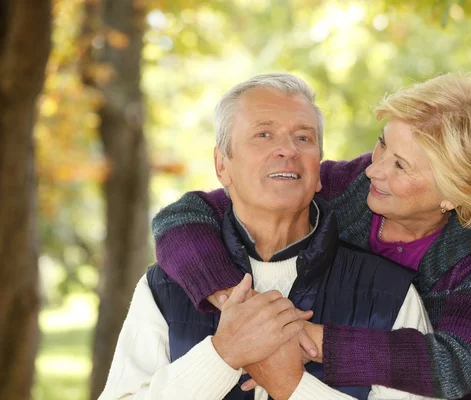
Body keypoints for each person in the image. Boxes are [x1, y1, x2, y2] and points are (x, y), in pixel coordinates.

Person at [152, 72, 471, 399]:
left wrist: (300, 337)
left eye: (400, 166)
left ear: (455, 193)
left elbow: (456, 365)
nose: (374, 169)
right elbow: (183, 216)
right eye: (381, 146)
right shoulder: (349, 188)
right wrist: (235, 303)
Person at [99, 73, 434, 400]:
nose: (287, 150)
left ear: (319, 171)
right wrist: (222, 356)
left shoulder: (389, 292)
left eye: (303, 138)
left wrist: (292, 387)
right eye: (263, 134)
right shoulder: (165, 287)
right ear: (222, 165)